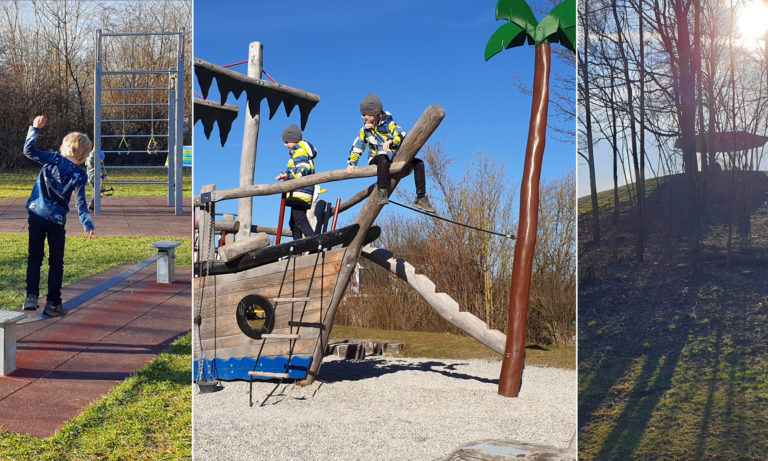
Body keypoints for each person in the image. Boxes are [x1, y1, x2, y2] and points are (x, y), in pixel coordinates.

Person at [22, 114, 96, 317]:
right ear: (83, 154)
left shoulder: (53, 158)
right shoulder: (80, 174)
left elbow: (28, 151)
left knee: (34, 257)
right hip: (56, 221)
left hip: (36, 214)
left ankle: (31, 296)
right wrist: (86, 223)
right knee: (56, 262)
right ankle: (53, 303)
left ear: (65, 146)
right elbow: (81, 203)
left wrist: (35, 129)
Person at [346, 93, 436, 213]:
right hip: (376, 158)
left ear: (374, 114)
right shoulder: (364, 130)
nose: (362, 117)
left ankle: (421, 197)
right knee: (383, 157)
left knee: (419, 163)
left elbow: (402, 133)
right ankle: (382, 192)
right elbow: (358, 146)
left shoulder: (389, 123)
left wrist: (391, 141)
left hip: (393, 157)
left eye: (364, 115)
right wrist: (352, 163)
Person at [275, 124, 318, 240]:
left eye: (287, 141)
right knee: (293, 222)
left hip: (300, 192)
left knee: (299, 219)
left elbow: (302, 168)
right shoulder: (298, 152)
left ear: (293, 140)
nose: (285, 145)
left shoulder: (299, 151)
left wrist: (290, 176)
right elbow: (295, 169)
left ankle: (315, 242)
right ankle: (297, 248)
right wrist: (285, 174)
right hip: (300, 192)